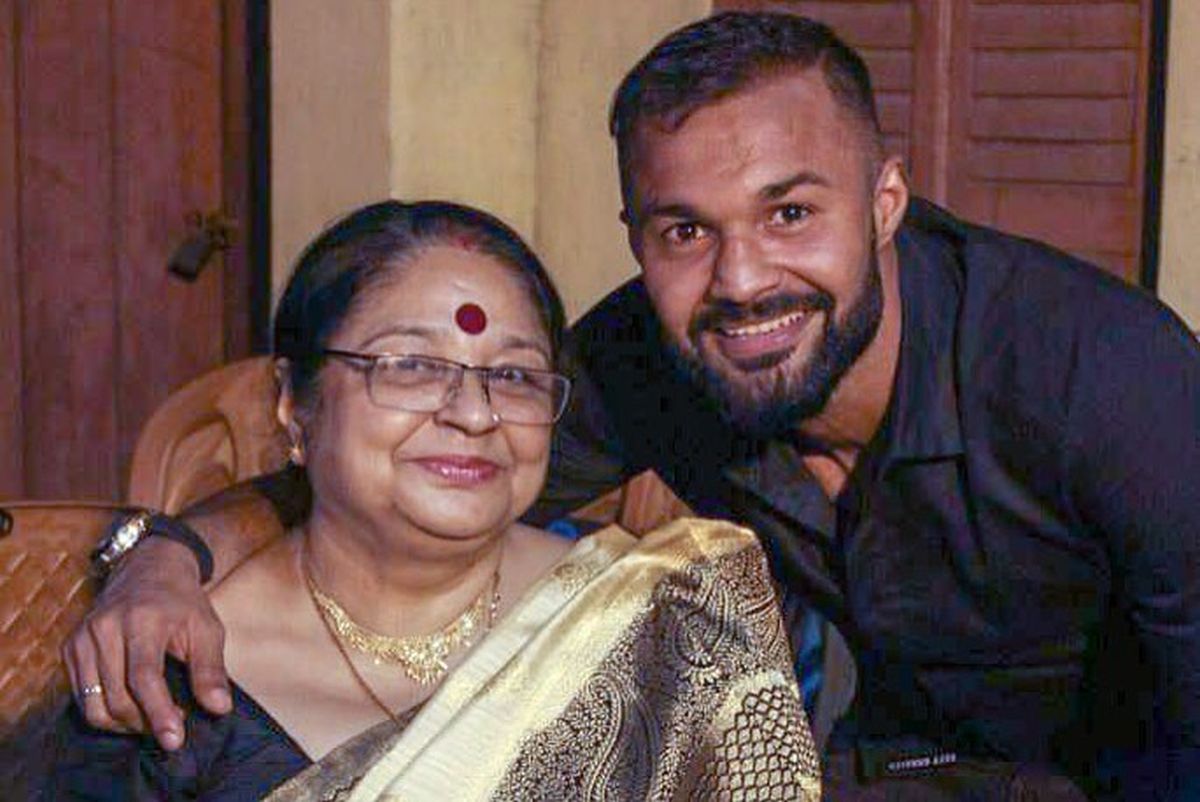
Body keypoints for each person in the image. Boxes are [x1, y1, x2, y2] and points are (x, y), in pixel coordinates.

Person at [67, 11, 1200, 800]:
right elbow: (376, 476)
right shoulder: (646, 359)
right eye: (684, 230)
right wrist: (161, 556)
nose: (742, 277)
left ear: (888, 199)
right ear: (637, 241)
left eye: (792, 212)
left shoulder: (1109, 383)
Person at [49, 200, 820, 799]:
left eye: (514, 375)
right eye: (412, 367)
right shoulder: (162, 672)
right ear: (293, 403)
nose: (475, 414)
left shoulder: (664, 625)